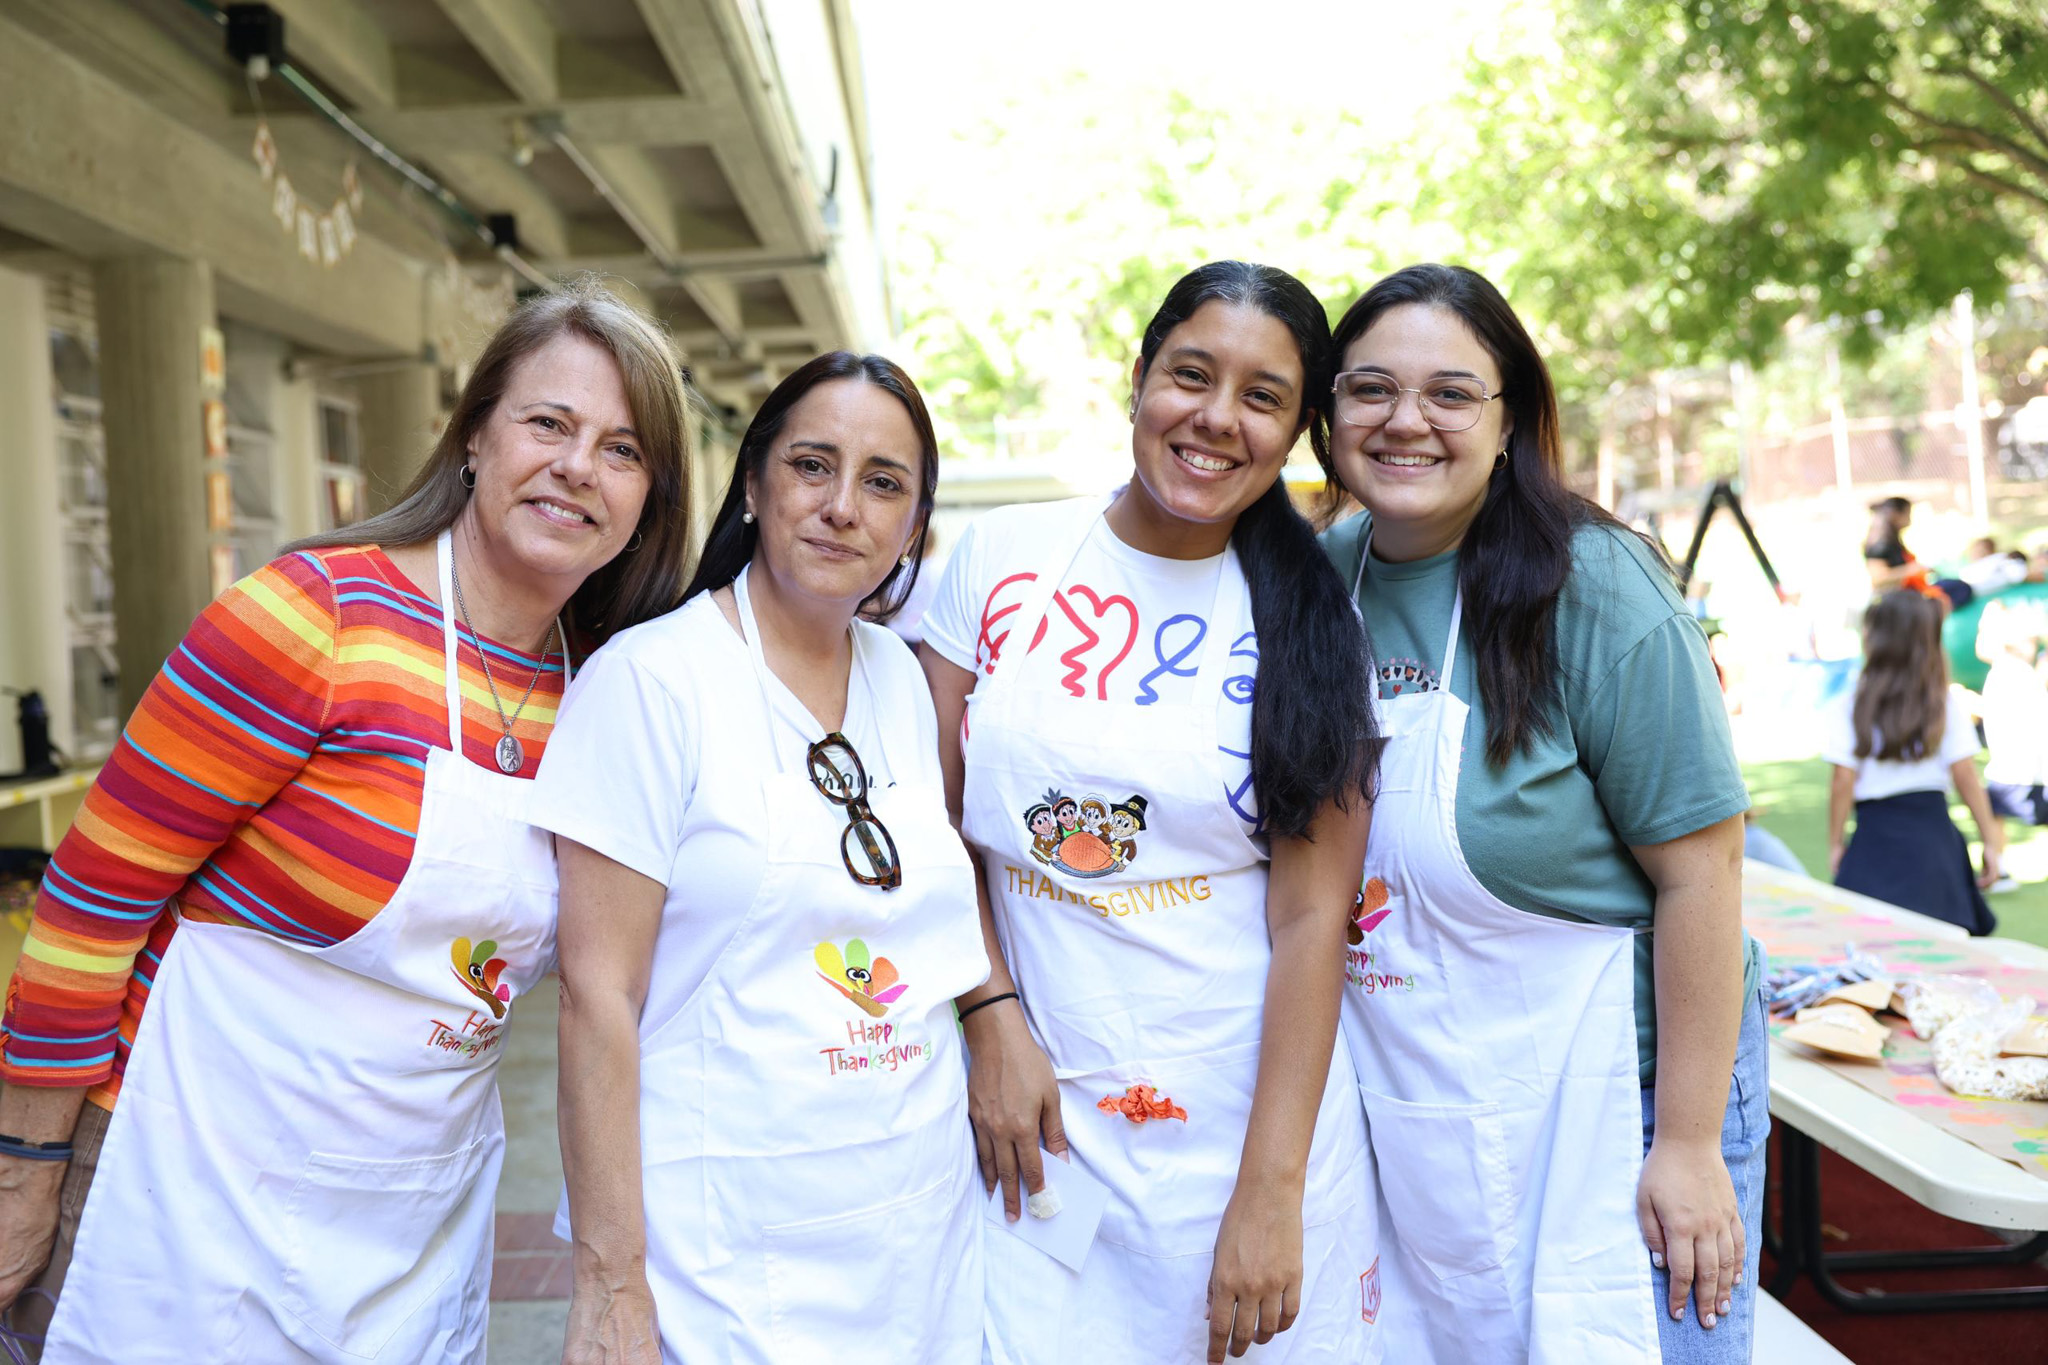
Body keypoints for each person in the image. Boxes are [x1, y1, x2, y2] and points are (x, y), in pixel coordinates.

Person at [0, 280, 692, 1363]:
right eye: (548, 423)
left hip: (408, 1224)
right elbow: (91, 902)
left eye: (622, 450)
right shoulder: (313, 618)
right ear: (474, 437)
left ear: (649, 498)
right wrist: (24, 1169)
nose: (576, 467)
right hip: (185, 1188)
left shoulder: (608, 694)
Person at [921, 261, 1382, 1364]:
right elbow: (932, 824)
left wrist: (1270, 1193)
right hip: (1036, 1125)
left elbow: (1310, 920)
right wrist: (989, 1014)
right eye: (1191, 374)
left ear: (1295, 432)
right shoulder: (1004, 557)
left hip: (1246, 1134)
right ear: (1138, 378)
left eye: (1262, 397)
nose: (1216, 418)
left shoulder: (1315, 625)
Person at [1320, 263, 1762, 1362]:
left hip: (1631, 1102)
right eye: (1370, 388)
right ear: (1328, 412)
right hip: (1420, 1105)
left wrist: (1688, 1143)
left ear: (1509, 419)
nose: (1405, 421)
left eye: (1450, 393)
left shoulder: (1597, 585)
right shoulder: (1315, 583)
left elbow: (1702, 871)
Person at [534, 353, 987, 1364]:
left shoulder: (899, 678)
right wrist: (611, 1280)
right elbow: (597, 998)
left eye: (883, 483)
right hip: (728, 1254)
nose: (841, 507)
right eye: (812, 466)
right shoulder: (652, 682)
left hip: (921, 1228)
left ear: (915, 524)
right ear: (753, 483)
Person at [1825, 589, 2001, 933]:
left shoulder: (1850, 702)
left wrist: (1836, 842)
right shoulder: (1942, 703)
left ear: (1875, 638)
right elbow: (1965, 775)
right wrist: (1989, 841)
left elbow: (1843, 780)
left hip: (1874, 837)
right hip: (1933, 838)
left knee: (1871, 939)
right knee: (1943, 941)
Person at [1979, 599, 2048, 828]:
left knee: (1994, 831)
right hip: (2029, 777)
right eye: (2032, 640)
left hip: (2006, 775)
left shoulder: (2002, 671)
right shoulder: (2018, 673)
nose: (2035, 645)